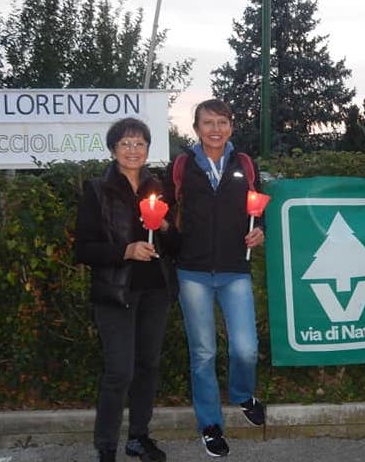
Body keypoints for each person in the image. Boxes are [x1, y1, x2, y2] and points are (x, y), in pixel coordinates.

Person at [166, 99, 266, 458]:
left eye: (222, 122)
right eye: (208, 123)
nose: (215, 129)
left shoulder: (245, 164)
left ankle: (242, 394)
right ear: (196, 128)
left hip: (234, 269)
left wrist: (261, 231)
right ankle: (210, 425)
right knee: (204, 353)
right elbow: (165, 211)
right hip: (192, 271)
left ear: (231, 126)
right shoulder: (181, 166)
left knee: (245, 348)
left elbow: (258, 208)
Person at [75, 118, 178, 462]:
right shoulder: (97, 189)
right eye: (125, 144)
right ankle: (106, 446)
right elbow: (84, 249)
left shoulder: (158, 186)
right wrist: (126, 250)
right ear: (113, 149)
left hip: (155, 291)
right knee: (120, 371)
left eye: (140, 144)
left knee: (148, 366)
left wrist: (164, 225)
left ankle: (138, 437)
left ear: (148, 149)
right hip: (116, 292)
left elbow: (176, 243)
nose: (133, 150)